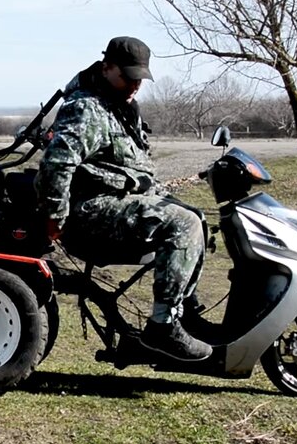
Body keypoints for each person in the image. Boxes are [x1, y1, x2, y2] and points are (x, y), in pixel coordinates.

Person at [34, 36, 212, 361]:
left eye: (139, 79)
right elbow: (57, 163)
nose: (134, 85)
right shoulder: (88, 108)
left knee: (195, 217)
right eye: (127, 76)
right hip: (92, 213)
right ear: (106, 68)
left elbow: (132, 170)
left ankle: (184, 312)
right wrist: (54, 218)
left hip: (118, 205)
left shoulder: (121, 110)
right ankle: (163, 326)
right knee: (184, 224)